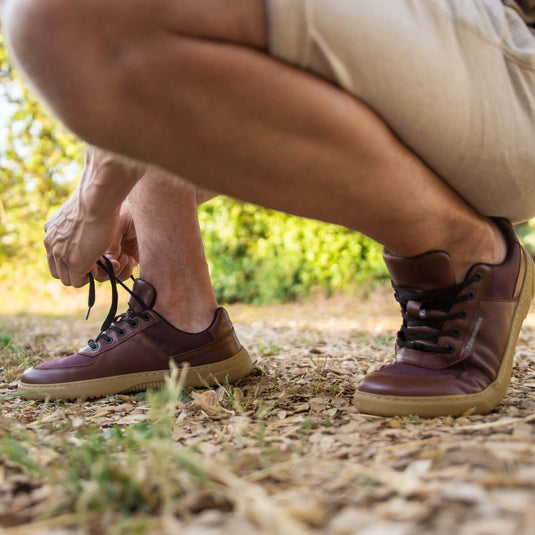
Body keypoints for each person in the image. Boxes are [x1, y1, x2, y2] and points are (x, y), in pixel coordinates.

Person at [3, 0, 535, 417]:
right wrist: (135, 202)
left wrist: (97, 195)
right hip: (447, 63)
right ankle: (178, 312)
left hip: (514, 59)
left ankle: (460, 251)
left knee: (66, 18)